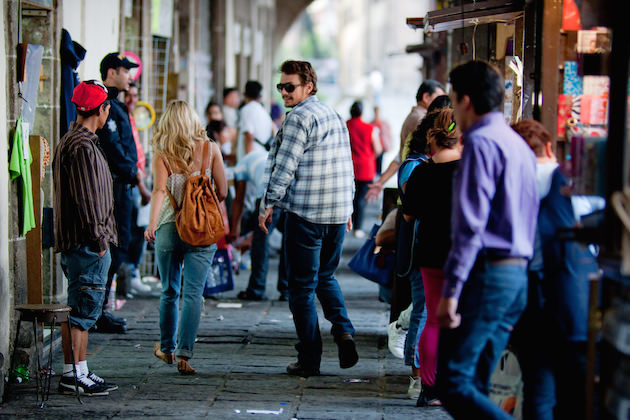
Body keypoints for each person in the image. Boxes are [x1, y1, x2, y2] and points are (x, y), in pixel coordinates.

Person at [435, 60, 538, 420]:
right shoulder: (517, 144)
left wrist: (451, 292)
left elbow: (469, 226)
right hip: (516, 277)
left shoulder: (479, 143)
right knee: (477, 380)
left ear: (464, 101)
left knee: (454, 382)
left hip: (488, 275)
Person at [259, 60, 358, 377]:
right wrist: (350, 207)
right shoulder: (333, 114)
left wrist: (268, 204)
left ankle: (309, 358)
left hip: (306, 215)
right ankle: (343, 329)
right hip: (337, 212)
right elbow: (347, 164)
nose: (285, 92)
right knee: (325, 277)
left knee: (300, 289)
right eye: (281, 87)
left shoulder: (298, 119)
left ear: (308, 87)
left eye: (290, 87)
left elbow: (284, 167)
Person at [510, 119, 600, 420]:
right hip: (571, 294)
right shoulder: (572, 180)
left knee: (537, 387)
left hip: (527, 292)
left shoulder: (510, 181)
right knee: (576, 388)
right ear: (549, 146)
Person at [144, 100, 227, 375]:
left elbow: (157, 191)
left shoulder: (162, 153)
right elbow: (223, 191)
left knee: (169, 290)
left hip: (168, 226)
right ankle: (184, 355)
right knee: (193, 293)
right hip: (201, 228)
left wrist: (152, 224)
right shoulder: (210, 148)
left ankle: (166, 348)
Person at [53, 80, 118, 395]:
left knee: (80, 308)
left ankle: (78, 371)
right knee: (83, 311)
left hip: (81, 242)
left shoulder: (75, 140)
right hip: (87, 243)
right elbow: (88, 199)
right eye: (107, 108)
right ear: (101, 110)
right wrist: (100, 240)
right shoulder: (82, 146)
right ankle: (74, 374)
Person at [402, 108, 462, 407]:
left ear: (431, 136)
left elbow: (409, 214)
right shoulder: (471, 170)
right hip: (465, 253)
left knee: (434, 321)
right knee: (461, 319)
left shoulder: (422, 172)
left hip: (431, 252)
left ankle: (429, 387)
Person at [94, 52, 143, 333]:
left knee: (119, 246)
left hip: (124, 186)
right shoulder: (105, 104)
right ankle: (98, 311)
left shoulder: (119, 106)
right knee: (111, 246)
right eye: (126, 71)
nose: (130, 76)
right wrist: (134, 172)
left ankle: (103, 309)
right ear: (111, 72)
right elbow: (113, 147)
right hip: (113, 186)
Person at [365, 80, 445, 202]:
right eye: (439, 98)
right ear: (426, 97)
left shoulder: (414, 117)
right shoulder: (421, 120)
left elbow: (400, 156)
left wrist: (381, 182)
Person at [229, 148, 288, 301]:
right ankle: (287, 289)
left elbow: (238, 200)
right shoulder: (263, 154)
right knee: (288, 241)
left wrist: (235, 230)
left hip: (267, 194)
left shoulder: (240, 167)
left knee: (260, 243)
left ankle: (256, 289)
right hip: (287, 191)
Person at [118, 82, 152, 298]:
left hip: (139, 179)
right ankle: (128, 275)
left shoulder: (132, 117)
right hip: (132, 182)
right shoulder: (121, 116)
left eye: (135, 95)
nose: (132, 99)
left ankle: (133, 273)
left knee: (138, 229)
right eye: (128, 95)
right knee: (131, 230)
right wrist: (141, 186)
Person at [347, 100, 382, 238]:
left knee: (351, 197)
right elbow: (378, 149)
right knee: (361, 198)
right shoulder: (370, 128)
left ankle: (348, 223)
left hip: (349, 167)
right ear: (362, 112)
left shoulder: (345, 125)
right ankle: (358, 228)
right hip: (366, 168)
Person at [236, 80, 274, 161]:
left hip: (253, 159)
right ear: (260, 96)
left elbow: (249, 135)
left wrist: (247, 162)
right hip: (263, 156)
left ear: (244, 94)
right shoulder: (264, 111)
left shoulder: (246, 109)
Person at [370, 106, 392, 175]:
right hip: (373, 147)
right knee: (374, 163)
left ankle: (378, 176)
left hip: (382, 146)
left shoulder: (384, 124)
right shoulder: (371, 123)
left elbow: (388, 134)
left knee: (379, 163)